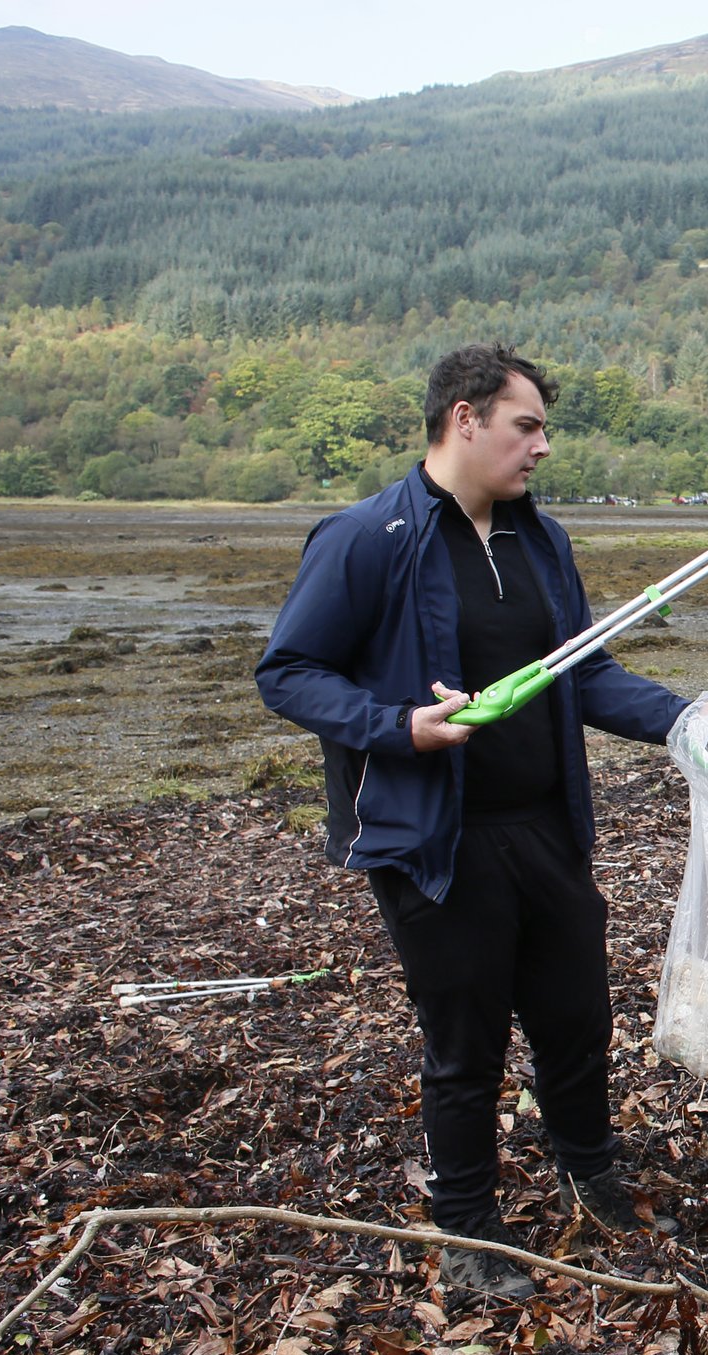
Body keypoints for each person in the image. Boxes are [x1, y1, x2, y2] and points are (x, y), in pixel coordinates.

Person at [255, 344, 678, 1301]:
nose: (541, 447)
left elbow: (586, 672)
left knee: (578, 1016)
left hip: (545, 825)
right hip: (432, 844)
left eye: (542, 430)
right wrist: (399, 727)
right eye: (526, 427)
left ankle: (589, 1169)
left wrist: (686, 723)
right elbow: (289, 672)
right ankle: (469, 1228)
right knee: (466, 1044)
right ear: (463, 419)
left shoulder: (543, 543)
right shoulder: (369, 538)